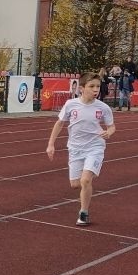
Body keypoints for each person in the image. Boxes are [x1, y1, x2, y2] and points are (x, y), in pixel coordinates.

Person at [46, 70, 115, 227]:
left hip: (95, 146)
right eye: (92, 86)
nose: (96, 89)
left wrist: (108, 132)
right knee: (75, 184)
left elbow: (111, 127)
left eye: (98, 86)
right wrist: (51, 144)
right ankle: (88, 178)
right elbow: (60, 123)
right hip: (75, 148)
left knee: (85, 180)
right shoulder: (71, 104)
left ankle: (83, 213)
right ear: (82, 88)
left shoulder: (103, 107)